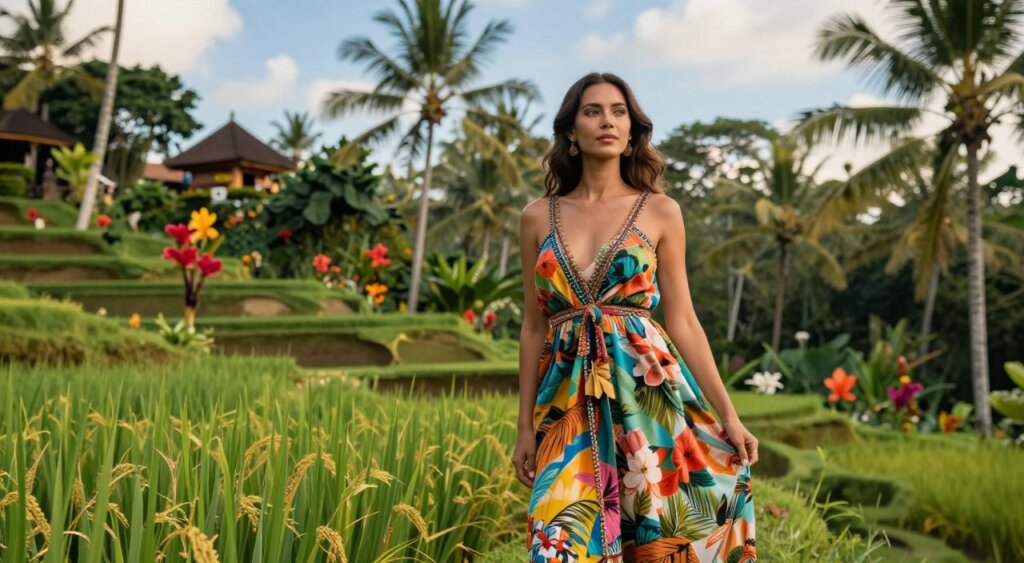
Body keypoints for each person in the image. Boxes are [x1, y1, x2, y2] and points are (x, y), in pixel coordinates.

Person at [514, 72, 759, 562]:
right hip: (565, 404)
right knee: (560, 542)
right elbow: (534, 327)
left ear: (631, 133)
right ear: (570, 131)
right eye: (593, 111)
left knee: (657, 539)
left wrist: (729, 415)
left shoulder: (661, 211)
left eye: (618, 111)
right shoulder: (537, 216)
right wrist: (523, 426)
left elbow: (683, 320)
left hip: (648, 397)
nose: (607, 121)